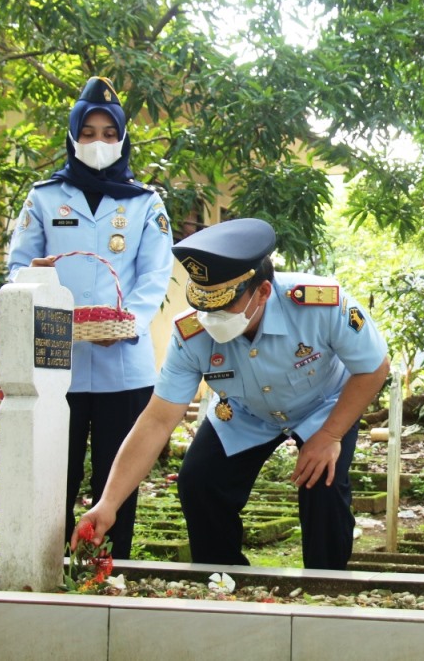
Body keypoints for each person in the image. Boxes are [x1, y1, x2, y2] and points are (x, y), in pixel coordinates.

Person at [72, 218, 390, 569]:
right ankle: (224, 581)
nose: (211, 316)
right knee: (199, 483)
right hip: (244, 412)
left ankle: (326, 587)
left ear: (263, 291)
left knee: (323, 483)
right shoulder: (190, 334)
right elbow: (157, 420)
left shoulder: (320, 303)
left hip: (323, 407)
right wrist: (108, 503)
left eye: (224, 305)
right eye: (204, 304)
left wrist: (330, 434)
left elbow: (374, 367)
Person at [7, 76, 174, 559]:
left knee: (115, 479)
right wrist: (31, 275)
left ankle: (108, 569)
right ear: (72, 136)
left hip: (125, 363)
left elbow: (154, 276)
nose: (97, 142)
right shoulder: (43, 197)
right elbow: (17, 265)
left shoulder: (145, 202)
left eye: (108, 133)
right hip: (57, 360)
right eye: (88, 132)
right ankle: (46, 566)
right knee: (52, 473)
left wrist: (127, 323)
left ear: (121, 139)